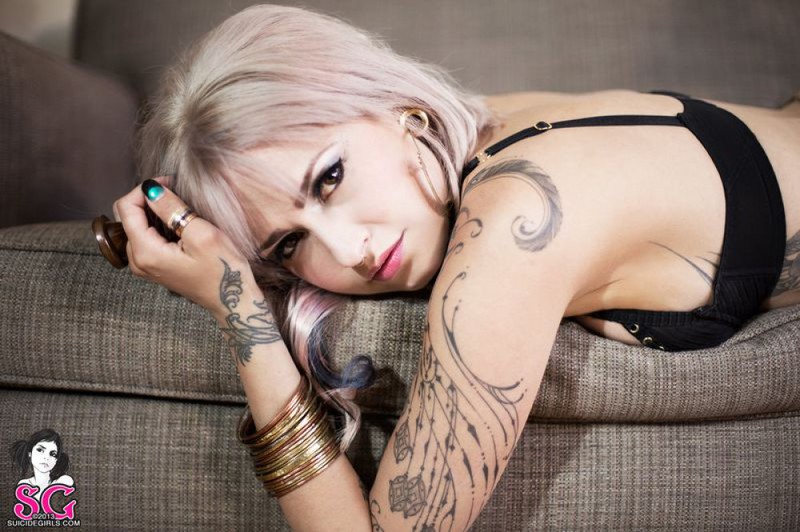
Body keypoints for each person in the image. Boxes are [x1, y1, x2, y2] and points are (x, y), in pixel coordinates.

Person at [111, 4, 800, 530]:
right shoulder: (486, 129)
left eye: (330, 178)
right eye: (289, 246)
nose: (348, 251)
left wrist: (237, 306)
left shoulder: (516, 221)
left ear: (396, 111)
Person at [10, 429, 74, 500]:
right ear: (30, 453)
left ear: (56, 460)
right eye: (40, 450)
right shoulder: (24, 484)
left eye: (53, 454)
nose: (46, 457)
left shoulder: (64, 480)